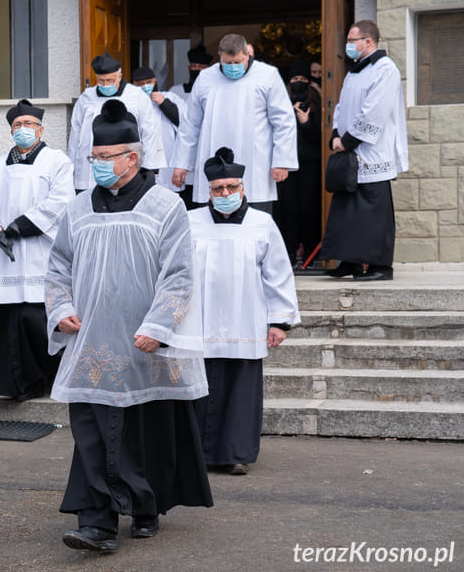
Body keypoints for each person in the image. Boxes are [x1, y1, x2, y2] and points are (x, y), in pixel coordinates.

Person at [46, 99, 212, 552]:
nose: (97, 166)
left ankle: (145, 506)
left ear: (132, 158)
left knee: (146, 431)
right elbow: (58, 266)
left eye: (104, 159)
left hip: (144, 345)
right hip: (94, 343)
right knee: (91, 433)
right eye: (93, 159)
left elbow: (179, 273)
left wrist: (161, 325)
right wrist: (59, 309)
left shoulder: (165, 207)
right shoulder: (78, 209)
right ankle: (96, 521)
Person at [189, 147, 300, 475]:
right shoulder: (190, 221)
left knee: (240, 393)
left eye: (231, 187)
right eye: (217, 189)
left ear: (243, 188)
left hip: (245, 321)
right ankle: (197, 454)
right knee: (199, 390)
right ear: (208, 192)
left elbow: (278, 274)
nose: (225, 194)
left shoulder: (262, 223)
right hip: (200, 323)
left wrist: (279, 321)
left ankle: (236, 453)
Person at [0, 100, 74, 401]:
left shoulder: (57, 161)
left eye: (29, 124)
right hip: (8, 257)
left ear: (41, 129)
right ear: (11, 131)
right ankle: (15, 385)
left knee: (37, 317)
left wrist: (18, 227)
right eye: (17, 125)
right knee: (11, 318)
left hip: (41, 252)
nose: (23, 129)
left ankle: (48, 379)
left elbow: (61, 202)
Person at [320, 20, 408, 281]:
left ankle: (381, 267)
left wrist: (348, 141)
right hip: (351, 153)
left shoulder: (385, 70)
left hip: (372, 152)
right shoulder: (355, 72)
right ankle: (351, 262)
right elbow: (341, 105)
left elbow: (375, 111)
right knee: (347, 210)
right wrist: (336, 134)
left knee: (373, 211)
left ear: (367, 41)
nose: (347, 45)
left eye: (351, 40)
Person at [173, 34, 298, 213]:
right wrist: (181, 163)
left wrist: (282, 160)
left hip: (255, 164)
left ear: (247, 54)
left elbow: (284, 121)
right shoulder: (205, 78)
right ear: (219, 56)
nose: (233, 67)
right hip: (213, 159)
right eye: (228, 63)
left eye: (238, 62)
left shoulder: (267, 76)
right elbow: (190, 124)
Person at [67, 53, 165, 194]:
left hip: (125, 167)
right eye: (101, 81)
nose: (105, 85)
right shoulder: (86, 97)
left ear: (119, 76)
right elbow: (75, 135)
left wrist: (150, 169)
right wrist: (71, 168)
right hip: (89, 168)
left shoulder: (136, 96)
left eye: (110, 80)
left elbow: (150, 133)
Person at [273, 59, 322, 266]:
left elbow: (319, 136)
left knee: (308, 209)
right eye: (294, 79)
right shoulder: (281, 102)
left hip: (309, 165)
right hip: (286, 165)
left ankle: (311, 251)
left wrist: (306, 122)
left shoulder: (315, 102)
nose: (298, 82)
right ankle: (289, 252)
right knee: (287, 209)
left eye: (302, 79)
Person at [131, 66, 190, 206]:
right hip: (142, 158)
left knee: (168, 198)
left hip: (168, 159)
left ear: (155, 81)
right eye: (140, 84)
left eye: (149, 82)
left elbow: (185, 122)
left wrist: (164, 104)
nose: (145, 86)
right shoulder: (131, 101)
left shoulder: (169, 97)